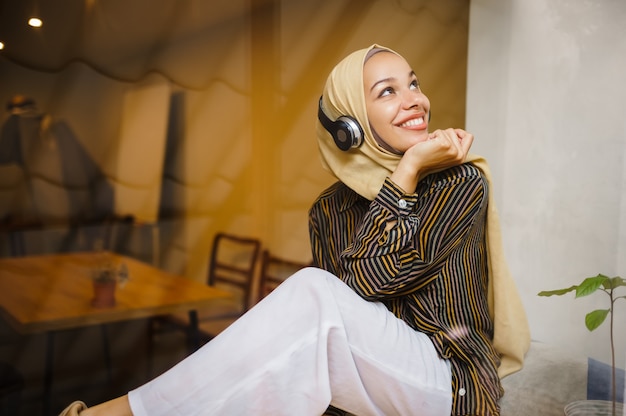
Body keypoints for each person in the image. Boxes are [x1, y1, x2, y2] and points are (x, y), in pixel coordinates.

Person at [60, 44, 530, 416]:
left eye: (413, 84)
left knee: (311, 289)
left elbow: (367, 283)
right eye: (387, 91)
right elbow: (342, 322)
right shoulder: (329, 209)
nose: (414, 100)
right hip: (374, 381)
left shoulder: (460, 182)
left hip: (450, 382)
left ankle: (119, 414)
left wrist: (407, 170)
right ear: (349, 126)